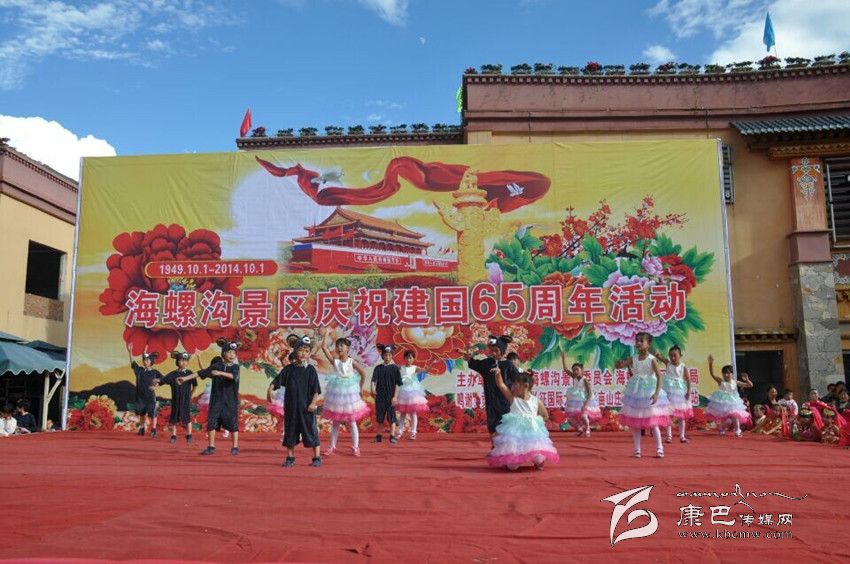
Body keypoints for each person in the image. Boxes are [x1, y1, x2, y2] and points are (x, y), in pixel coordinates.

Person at [487, 369, 559, 471]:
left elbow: (545, 415)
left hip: (532, 435)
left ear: (525, 386)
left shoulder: (536, 401)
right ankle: (510, 461)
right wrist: (498, 373)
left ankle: (538, 461)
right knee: (512, 467)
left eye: (516, 384)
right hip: (514, 435)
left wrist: (535, 421)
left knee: (538, 459)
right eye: (513, 384)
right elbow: (501, 385)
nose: (512, 387)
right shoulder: (513, 399)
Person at [178, 339, 240, 456]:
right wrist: (185, 378)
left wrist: (220, 373)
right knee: (212, 422)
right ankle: (211, 447)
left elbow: (233, 376)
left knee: (233, 424)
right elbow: (200, 373)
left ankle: (235, 447)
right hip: (216, 400)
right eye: (229, 352)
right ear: (223, 353)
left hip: (230, 401)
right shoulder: (216, 366)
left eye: (234, 353)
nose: (232, 355)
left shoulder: (235, 367)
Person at [615, 332, 671, 458]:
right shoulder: (634, 358)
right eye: (637, 341)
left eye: (642, 341)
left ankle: (659, 448)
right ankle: (637, 449)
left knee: (653, 422)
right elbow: (619, 366)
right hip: (636, 393)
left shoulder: (651, 359)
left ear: (648, 344)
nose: (638, 343)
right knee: (636, 423)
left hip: (649, 392)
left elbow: (659, 376)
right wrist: (618, 364)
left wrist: (656, 393)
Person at [272, 336, 322, 468]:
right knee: (290, 431)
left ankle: (317, 457)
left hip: (307, 408)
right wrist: (270, 389)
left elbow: (316, 390)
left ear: (309, 353)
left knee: (311, 431)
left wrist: (313, 403)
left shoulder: (310, 370)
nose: (303, 353)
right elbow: (276, 381)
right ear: (295, 351)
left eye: (306, 351)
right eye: (301, 350)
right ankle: (290, 457)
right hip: (292, 408)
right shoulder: (288, 369)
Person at [463, 335, 518, 448]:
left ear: (502, 351)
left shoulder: (508, 365)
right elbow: (474, 364)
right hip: (491, 400)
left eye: (496, 350)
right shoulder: (488, 363)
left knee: (506, 424)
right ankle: (495, 448)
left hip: (505, 401)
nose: (493, 353)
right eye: (491, 350)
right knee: (492, 424)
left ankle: (508, 448)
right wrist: (469, 358)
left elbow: (518, 380)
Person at [320, 336, 370, 456]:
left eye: (342, 345)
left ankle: (356, 447)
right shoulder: (335, 361)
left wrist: (360, 388)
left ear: (348, 348)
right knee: (335, 423)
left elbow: (363, 374)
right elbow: (324, 347)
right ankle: (332, 447)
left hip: (349, 396)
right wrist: (326, 333)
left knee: (352, 422)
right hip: (337, 395)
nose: (339, 348)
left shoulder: (351, 362)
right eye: (337, 346)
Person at [705, 356, 753, 437]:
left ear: (732, 374)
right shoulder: (721, 381)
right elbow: (712, 374)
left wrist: (747, 379)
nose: (726, 375)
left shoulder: (735, 382)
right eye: (724, 373)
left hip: (734, 402)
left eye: (728, 373)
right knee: (727, 420)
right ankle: (722, 429)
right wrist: (710, 364)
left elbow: (750, 385)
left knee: (735, 415)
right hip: (723, 403)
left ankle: (737, 431)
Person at [158, 351, 196, 444]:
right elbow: (163, 380)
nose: (184, 362)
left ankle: (189, 435)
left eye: (185, 361)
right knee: (174, 418)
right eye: (181, 360)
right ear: (177, 362)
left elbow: (195, 385)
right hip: (175, 400)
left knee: (187, 417)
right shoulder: (173, 374)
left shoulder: (190, 373)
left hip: (186, 400)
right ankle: (174, 436)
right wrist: (156, 382)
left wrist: (190, 395)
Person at [561, 352, 601, 438]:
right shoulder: (574, 377)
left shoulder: (585, 380)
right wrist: (563, 358)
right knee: (570, 419)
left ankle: (588, 428)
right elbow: (566, 370)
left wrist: (585, 405)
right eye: (574, 370)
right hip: (575, 400)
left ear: (582, 370)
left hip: (584, 400)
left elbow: (590, 393)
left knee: (583, 415)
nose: (575, 371)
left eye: (577, 370)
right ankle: (580, 429)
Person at [659, 345, 693, 443]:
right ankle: (669, 436)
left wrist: (688, 391)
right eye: (671, 356)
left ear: (680, 356)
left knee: (681, 416)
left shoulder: (683, 366)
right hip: (668, 392)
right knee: (668, 414)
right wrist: (657, 353)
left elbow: (688, 379)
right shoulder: (668, 363)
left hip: (680, 393)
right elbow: (659, 357)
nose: (672, 358)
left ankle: (682, 436)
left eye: (675, 356)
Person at [371, 344, 403, 444]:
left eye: (389, 355)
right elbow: (373, 381)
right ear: (382, 356)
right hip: (380, 396)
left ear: (392, 356)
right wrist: (373, 389)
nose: (387, 357)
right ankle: (378, 436)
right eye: (385, 355)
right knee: (379, 417)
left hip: (391, 397)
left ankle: (392, 436)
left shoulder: (395, 368)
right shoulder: (378, 368)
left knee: (392, 417)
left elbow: (398, 384)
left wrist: (395, 397)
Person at [128, 348, 163, 438]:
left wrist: (155, 386)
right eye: (144, 360)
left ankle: (154, 429)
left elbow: (163, 380)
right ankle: (142, 428)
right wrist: (130, 352)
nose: (145, 361)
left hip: (150, 397)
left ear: (151, 361)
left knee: (153, 414)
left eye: (147, 360)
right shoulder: (139, 370)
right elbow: (133, 364)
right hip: (140, 397)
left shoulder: (155, 372)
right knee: (142, 413)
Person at [395, 350, 429, 439]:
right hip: (402, 391)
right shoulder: (400, 367)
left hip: (413, 391)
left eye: (410, 358)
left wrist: (430, 365)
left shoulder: (415, 368)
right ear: (404, 358)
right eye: (407, 357)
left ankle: (413, 432)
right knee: (402, 413)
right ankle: (400, 431)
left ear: (413, 359)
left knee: (413, 413)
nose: (408, 359)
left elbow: (426, 371)